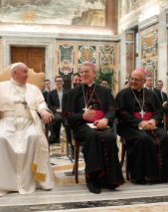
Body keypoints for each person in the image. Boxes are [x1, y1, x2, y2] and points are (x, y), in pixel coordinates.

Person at [0, 62, 55, 197]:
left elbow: (40, 103)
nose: (27, 75)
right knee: (1, 139)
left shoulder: (33, 89)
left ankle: (31, 181)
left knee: (35, 137)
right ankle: (4, 182)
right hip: (6, 123)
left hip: (28, 123)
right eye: (24, 72)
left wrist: (43, 111)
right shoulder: (0, 87)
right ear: (15, 73)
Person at [64, 62, 124, 194]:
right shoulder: (74, 93)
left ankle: (109, 179)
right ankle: (93, 179)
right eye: (82, 72)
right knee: (92, 136)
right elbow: (69, 117)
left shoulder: (104, 91)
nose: (84, 74)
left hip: (101, 124)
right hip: (81, 127)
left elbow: (112, 110)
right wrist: (83, 116)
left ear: (94, 74)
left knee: (109, 136)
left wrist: (106, 119)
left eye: (87, 71)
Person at [116, 69, 168, 185]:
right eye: (131, 79)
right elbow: (121, 113)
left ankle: (160, 175)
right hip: (129, 126)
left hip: (150, 125)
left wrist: (154, 120)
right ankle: (139, 176)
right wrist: (140, 123)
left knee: (164, 137)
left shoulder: (151, 94)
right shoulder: (123, 94)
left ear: (144, 81)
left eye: (136, 80)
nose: (133, 81)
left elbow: (159, 111)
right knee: (143, 138)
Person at [62, 73, 82, 156]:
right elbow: (64, 109)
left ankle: (85, 146)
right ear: (72, 81)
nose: (77, 82)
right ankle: (73, 147)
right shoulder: (67, 94)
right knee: (67, 125)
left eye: (79, 80)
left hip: (82, 117)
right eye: (76, 80)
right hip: (70, 117)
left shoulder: (86, 93)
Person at [48, 76, 66, 143]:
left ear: (63, 82)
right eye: (57, 81)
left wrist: (64, 110)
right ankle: (56, 137)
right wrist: (57, 110)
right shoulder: (51, 93)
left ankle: (71, 137)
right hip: (56, 112)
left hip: (65, 111)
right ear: (55, 82)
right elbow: (49, 105)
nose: (59, 82)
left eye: (60, 81)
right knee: (58, 118)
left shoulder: (67, 92)